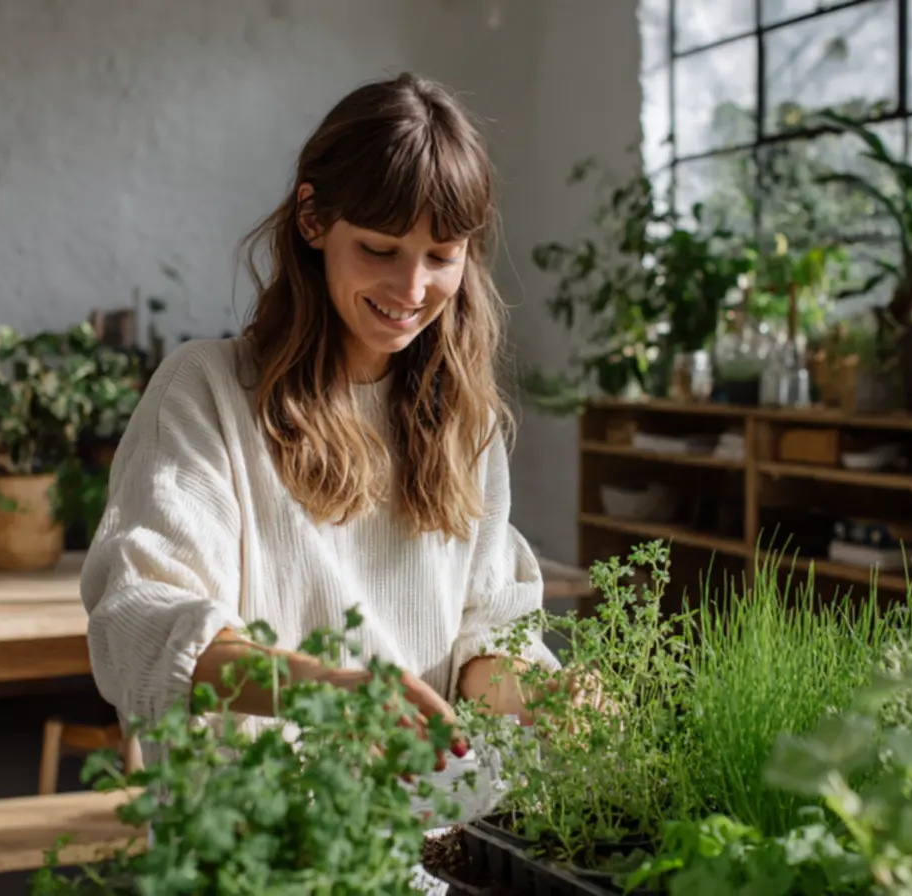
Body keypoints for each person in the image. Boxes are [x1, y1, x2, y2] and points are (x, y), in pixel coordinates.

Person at [79, 72, 560, 771]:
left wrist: (550, 696)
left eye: (441, 255)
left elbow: (482, 645)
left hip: (426, 834)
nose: (412, 289)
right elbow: (138, 620)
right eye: (379, 249)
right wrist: (326, 693)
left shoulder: (467, 422)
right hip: (255, 843)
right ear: (312, 220)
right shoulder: (206, 392)